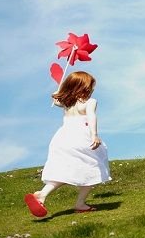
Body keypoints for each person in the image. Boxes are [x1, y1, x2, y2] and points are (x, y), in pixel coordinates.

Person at [24, 71, 111, 217]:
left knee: (64, 170)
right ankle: (80, 203)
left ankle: (42, 195)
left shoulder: (67, 103)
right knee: (93, 168)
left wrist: (59, 91)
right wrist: (94, 135)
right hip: (81, 138)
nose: (92, 90)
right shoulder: (90, 102)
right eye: (90, 87)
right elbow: (91, 117)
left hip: (63, 139)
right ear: (83, 87)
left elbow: (56, 99)